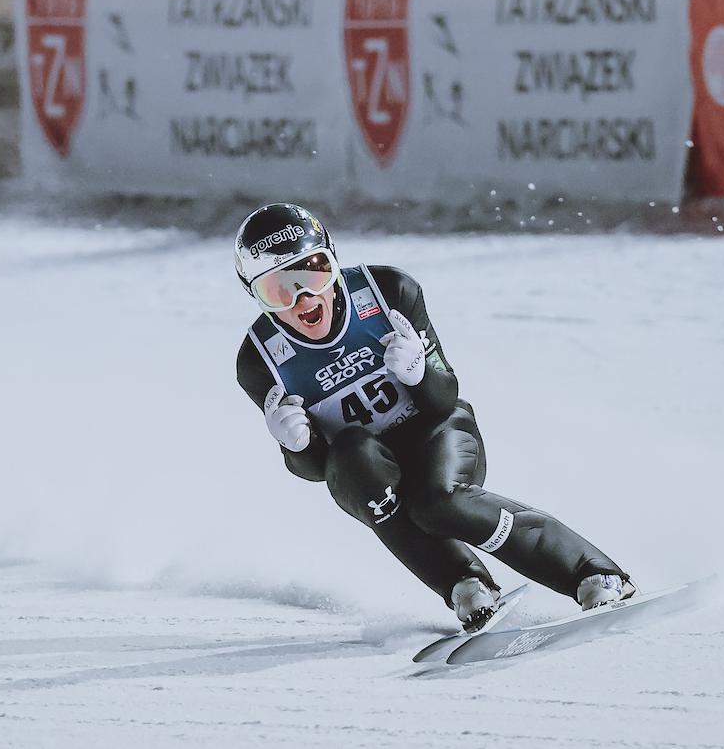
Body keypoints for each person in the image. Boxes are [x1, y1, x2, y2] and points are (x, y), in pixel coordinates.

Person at [233, 203, 634, 630]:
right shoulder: (260, 361)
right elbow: (320, 470)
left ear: (335, 263)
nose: (304, 299)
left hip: (437, 430)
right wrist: (297, 447)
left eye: (313, 273)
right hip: (366, 464)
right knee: (352, 460)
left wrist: (421, 373)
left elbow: (443, 399)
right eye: (279, 290)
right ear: (256, 298)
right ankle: (466, 586)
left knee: (438, 502)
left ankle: (592, 572)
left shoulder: (387, 290)